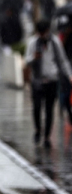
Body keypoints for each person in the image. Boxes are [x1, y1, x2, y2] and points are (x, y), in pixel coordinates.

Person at [25, 20, 72, 148]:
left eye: (44, 32)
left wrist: (69, 75)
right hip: (37, 81)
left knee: (49, 109)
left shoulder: (55, 42)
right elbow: (27, 61)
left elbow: (62, 61)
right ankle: (38, 130)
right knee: (37, 108)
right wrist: (34, 57)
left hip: (52, 80)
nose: (43, 35)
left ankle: (46, 137)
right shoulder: (33, 43)